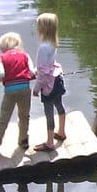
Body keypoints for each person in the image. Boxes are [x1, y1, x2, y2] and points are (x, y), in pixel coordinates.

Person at [0, 32, 35, 156]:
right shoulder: (25, 55)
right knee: (24, 116)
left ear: (4, 46)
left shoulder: (1, 57)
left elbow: (1, 74)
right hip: (25, 89)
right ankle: (23, 140)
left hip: (10, 91)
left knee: (4, 118)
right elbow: (32, 72)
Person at [32, 13, 67, 152]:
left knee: (48, 111)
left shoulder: (42, 48)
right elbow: (48, 64)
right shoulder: (53, 43)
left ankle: (50, 142)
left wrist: (36, 88)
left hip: (48, 84)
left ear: (43, 28)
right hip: (57, 79)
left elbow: (41, 72)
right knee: (59, 105)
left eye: (38, 25)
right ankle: (62, 132)